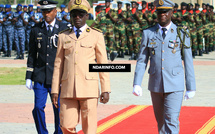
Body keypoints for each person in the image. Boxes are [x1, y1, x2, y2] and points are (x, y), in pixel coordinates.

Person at [132, 0, 196, 133]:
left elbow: (188, 61)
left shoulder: (181, 33)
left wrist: (191, 87)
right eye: (160, 12)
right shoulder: (148, 33)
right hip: (156, 85)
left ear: (171, 12)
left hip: (175, 84)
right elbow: (142, 59)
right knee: (161, 123)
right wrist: (137, 83)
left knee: (171, 120)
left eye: (165, 12)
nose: (162, 15)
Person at [51, 0, 111, 133]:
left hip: (89, 88)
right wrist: (55, 89)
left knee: (89, 128)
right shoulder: (63, 36)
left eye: (81, 14)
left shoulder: (96, 35)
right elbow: (58, 64)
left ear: (87, 16)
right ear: (71, 17)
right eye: (74, 15)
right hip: (68, 88)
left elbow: (102, 64)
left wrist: (105, 89)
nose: (77, 18)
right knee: (66, 125)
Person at [25, 0, 68, 133]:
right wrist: (28, 76)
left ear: (55, 11)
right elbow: (32, 54)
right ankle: (42, 132)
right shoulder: (36, 29)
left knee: (59, 108)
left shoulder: (64, 29)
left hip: (58, 77)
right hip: (40, 76)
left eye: (49, 11)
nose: (46, 14)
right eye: (44, 11)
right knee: (38, 107)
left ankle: (58, 132)